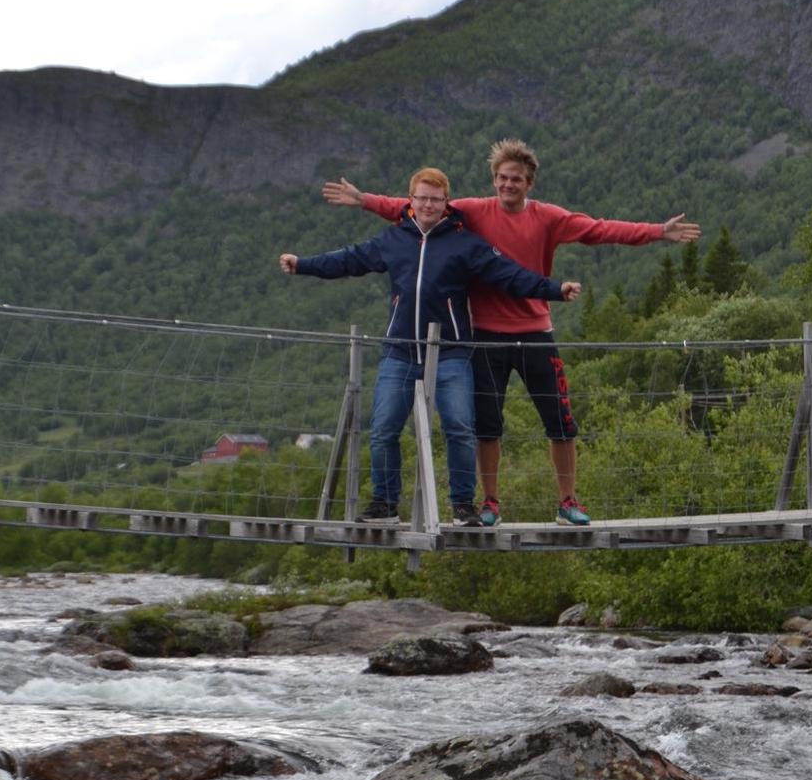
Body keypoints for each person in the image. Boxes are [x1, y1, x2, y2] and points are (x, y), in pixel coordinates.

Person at [323, 139, 700, 527]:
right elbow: (417, 207)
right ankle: (489, 503)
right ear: (494, 179)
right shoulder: (471, 211)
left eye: (515, 179)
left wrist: (656, 231)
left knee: (560, 421)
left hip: (536, 332)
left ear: (529, 183)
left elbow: (599, 229)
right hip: (485, 336)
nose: (507, 185)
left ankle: (568, 501)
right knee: (487, 425)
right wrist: (363, 199)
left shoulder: (548, 217)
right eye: (502, 178)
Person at [281, 166, 580, 527]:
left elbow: (511, 276)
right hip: (400, 350)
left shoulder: (466, 244)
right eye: (421, 198)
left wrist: (554, 289)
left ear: (445, 203)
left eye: (435, 199)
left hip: (452, 351)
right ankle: (385, 505)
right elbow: (349, 259)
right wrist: (303, 265)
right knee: (384, 429)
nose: (428, 205)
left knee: (459, 427)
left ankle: (463, 506)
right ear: (411, 200)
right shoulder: (393, 240)